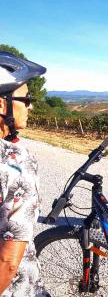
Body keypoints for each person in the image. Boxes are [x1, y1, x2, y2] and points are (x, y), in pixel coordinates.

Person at [0, 51, 49, 296]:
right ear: (1, 104)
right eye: (26, 98)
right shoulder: (16, 162)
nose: (30, 105)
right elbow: (9, 262)